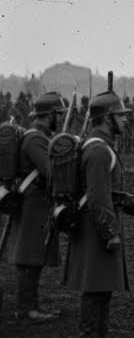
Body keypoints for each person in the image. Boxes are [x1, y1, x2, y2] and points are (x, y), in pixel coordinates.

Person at [63, 90, 133, 338]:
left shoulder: (101, 146)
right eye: (120, 115)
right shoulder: (98, 150)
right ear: (106, 118)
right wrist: (110, 231)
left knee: (103, 282)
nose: (125, 120)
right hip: (96, 226)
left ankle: (101, 337)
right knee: (94, 284)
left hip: (99, 223)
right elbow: (97, 197)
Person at [9, 91, 66, 322]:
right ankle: (26, 309)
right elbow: (51, 170)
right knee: (29, 258)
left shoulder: (41, 137)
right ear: (49, 115)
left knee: (34, 256)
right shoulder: (35, 139)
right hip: (32, 205)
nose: (60, 119)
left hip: (37, 204)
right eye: (58, 114)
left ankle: (30, 306)